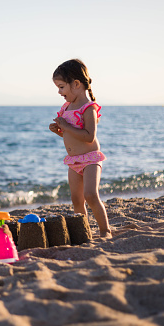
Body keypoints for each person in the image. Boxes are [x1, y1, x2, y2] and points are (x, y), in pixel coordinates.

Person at [49, 59, 112, 237]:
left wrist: (66, 127)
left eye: (61, 87)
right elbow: (70, 136)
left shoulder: (88, 108)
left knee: (90, 195)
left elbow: (88, 136)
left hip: (90, 158)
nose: (59, 91)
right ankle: (84, 232)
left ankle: (105, 230)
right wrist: (59, 131)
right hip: (74, 161)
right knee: (77, 200)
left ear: (76, 84)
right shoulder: (66, 107)